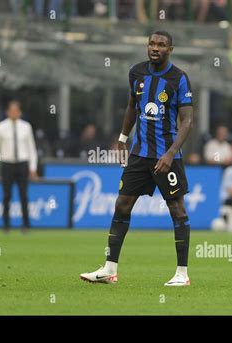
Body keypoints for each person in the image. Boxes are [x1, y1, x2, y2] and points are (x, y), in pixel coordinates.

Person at [80, 30, 194, 287]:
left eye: (161, 44)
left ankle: (182, 274)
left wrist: (171, 153)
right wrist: (122, 137)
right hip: (139, 155)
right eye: (152, 43)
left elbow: (187, 121)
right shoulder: (136, 73)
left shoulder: (179, 78)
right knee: (122, 205)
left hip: (167, 156)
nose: (155, 48)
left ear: (170, 50)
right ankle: (109, 269)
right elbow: (132, 106)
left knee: (177, 209)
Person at [0, 100, 38, 234]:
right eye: (11, 110)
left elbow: (31, 149)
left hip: (22, 163)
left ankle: (26, 224)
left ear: (20, 112)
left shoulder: (26, 127)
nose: (14, 113)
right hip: (7, 164)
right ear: (7, 112)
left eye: (16, 110)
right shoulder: (0, 127)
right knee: (6, 195)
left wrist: (33, 167)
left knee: (23, 195)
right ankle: (6, 224)